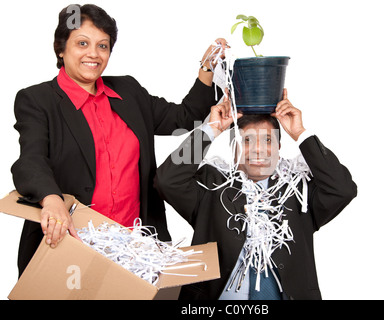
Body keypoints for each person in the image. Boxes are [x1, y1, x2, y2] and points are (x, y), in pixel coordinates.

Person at [11, 4, 226, 276]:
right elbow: (31, 159)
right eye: (82, 43)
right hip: (70, 249)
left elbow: (183, 118)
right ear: (60, 48)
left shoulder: (128, 91)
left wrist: (207, 69)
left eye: (103, 46)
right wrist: (51, 199)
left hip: (136, 249)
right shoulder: (38, 100)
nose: (94, 53)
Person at [155, 90, 357, 300]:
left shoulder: (300, 191)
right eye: (247, 140)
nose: (258, 150)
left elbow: (343, 189)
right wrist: (211, 130)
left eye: (268, 140)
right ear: (234, 148)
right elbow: (167, 180)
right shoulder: (212, 186)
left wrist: (300, 134)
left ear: (279, 147)